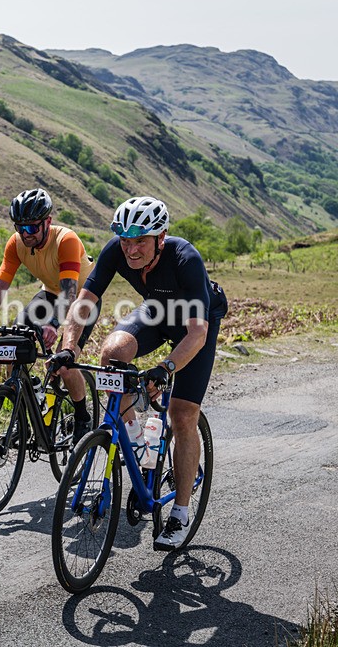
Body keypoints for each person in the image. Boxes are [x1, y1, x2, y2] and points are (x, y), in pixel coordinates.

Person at [51, 195, 228, 551]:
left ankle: (179, 512)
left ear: (161, 238)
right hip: (156, 313)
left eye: (140, 242)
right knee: (113, 352)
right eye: (126, 240)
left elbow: (197, 333)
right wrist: (69, 346)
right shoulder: (116, 250)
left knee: (181, 415)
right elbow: (84, 302)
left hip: (195, 325)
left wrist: (165, 369)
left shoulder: (185, 258)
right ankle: (134, 434)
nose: (131, 250)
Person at [0, 188, 99, 438]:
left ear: (47, 222)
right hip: (50, 292)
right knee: (13, 346)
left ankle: (83, 416)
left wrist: (53, 323)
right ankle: (25, 411)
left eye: (31, 228)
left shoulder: (66, 240)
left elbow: (70, 291)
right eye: (20, 227)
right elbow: (0, 285)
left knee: (64, 361)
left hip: (83, 297)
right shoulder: (16, 242)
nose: (25, 234)